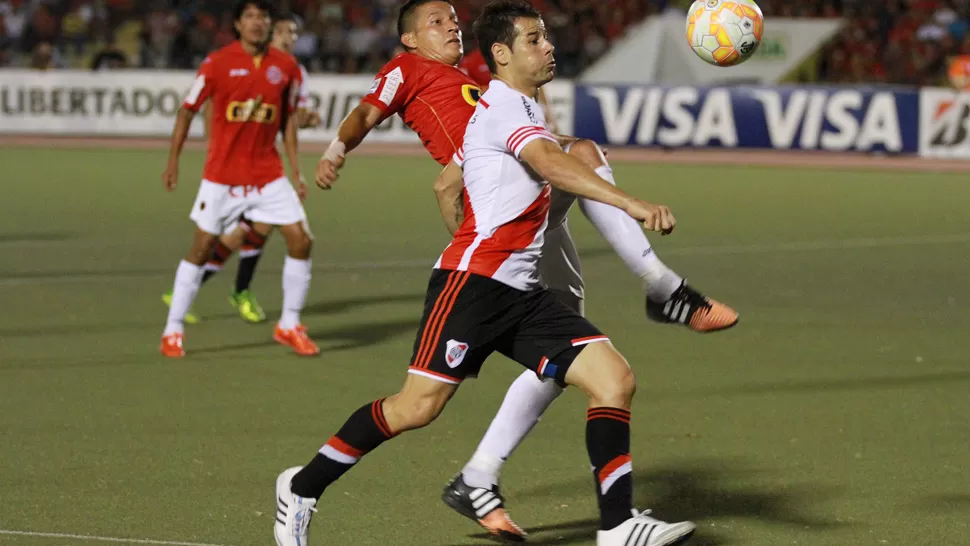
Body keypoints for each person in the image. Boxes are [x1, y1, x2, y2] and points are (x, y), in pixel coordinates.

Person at [275, 3, 697, 545]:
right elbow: (544, 162)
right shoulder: (482, 101)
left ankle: (617, 527)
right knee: (416, 407)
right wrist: (630, 201)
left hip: (520, 288)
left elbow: (534, 158)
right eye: (535, 39)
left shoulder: (500, 97)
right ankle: (302, 488)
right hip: (473, 284)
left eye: (545, 39)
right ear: (501, 53)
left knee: (614, 379)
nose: (549, 48)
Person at [159, 0, 318, 358]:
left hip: (267, 175)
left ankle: (289, 324)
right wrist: (174, 162)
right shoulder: (217, 63)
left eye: (263, 17)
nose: (257, 22)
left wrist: (296, 171)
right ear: (236, 25)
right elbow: (187, 111)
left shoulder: (287, 68)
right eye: (250, 16)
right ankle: (173, 329)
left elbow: (288, 121)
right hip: (223, 177)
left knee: (301, 240)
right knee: (200, 248)